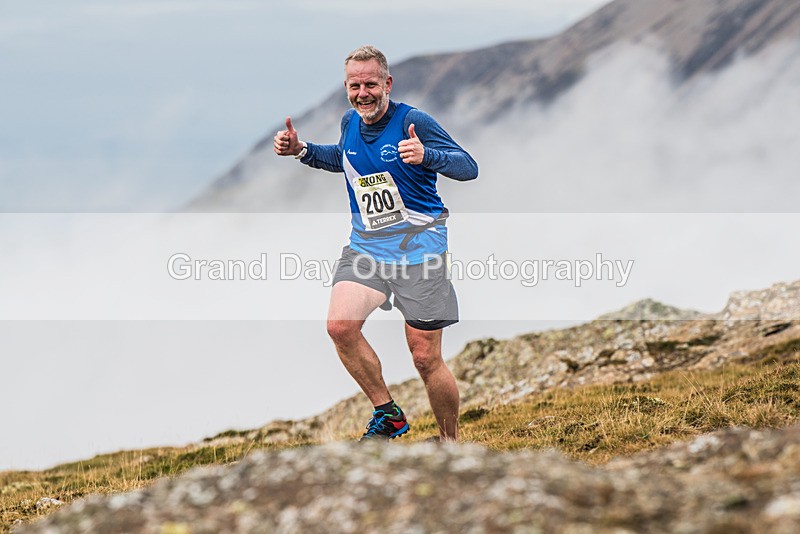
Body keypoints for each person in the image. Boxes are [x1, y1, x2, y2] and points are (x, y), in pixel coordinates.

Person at [273, 45, 478, 442]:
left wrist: (426, 155)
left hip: (421, 251)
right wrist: (301, 151)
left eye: (370, 84)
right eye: (354, 85)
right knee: (340, 327)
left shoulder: (412, 121)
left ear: (387, 83)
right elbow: (346, 160)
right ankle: (389, 414)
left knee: (425, 358)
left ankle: (451, 445)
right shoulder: (350, 122)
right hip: (366, 248)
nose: (362, 92)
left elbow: (468, 167)